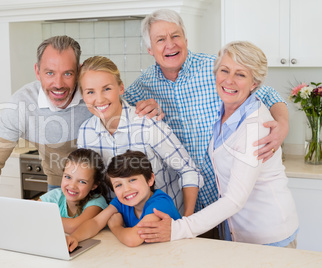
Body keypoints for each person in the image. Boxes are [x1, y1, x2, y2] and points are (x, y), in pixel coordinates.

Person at [123, 9, 289, 237]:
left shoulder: (218, 69)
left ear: (185, 40)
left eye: (175, 36)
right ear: (150, 49)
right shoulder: (141, 87)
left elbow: (269, 95)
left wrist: (282, 124)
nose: (170, 44)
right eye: (160, 39)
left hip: (226, 199)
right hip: (182, 202)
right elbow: (111, 106)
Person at [0, 35, 93, 243]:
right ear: (37, 71)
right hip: (59, 189)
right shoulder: (20, 105)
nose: (58, 83)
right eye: (50, 73)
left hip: (103, 189)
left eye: (68, 73)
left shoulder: (94, 95)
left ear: (79, 71)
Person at [77, 56, 203, 216]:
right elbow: (89, 182)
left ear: (121, 88)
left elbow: (189, 171)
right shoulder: (85, 133)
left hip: (164, 220)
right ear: (83, 96)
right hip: (117, 224)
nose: (100, 98)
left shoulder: (147, 124)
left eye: (107, 88)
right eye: (90, 92)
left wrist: (187, 222)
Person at [66, 150, 181, 251]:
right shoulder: (121, 202)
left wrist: (116, 227)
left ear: (150, 180)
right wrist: (75, 237)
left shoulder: (160, 203)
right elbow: (95, 222)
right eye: (118, 185)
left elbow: (132, 239)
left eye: (132, 180)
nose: (126, 189)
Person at [37, 148, 109, 233]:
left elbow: (74, 227)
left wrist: (42, 217)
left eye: (82, 182)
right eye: (68, 177)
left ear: (94, 185)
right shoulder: (54, 196)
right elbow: (32, 213)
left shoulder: (97, 203)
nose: (72, 186)